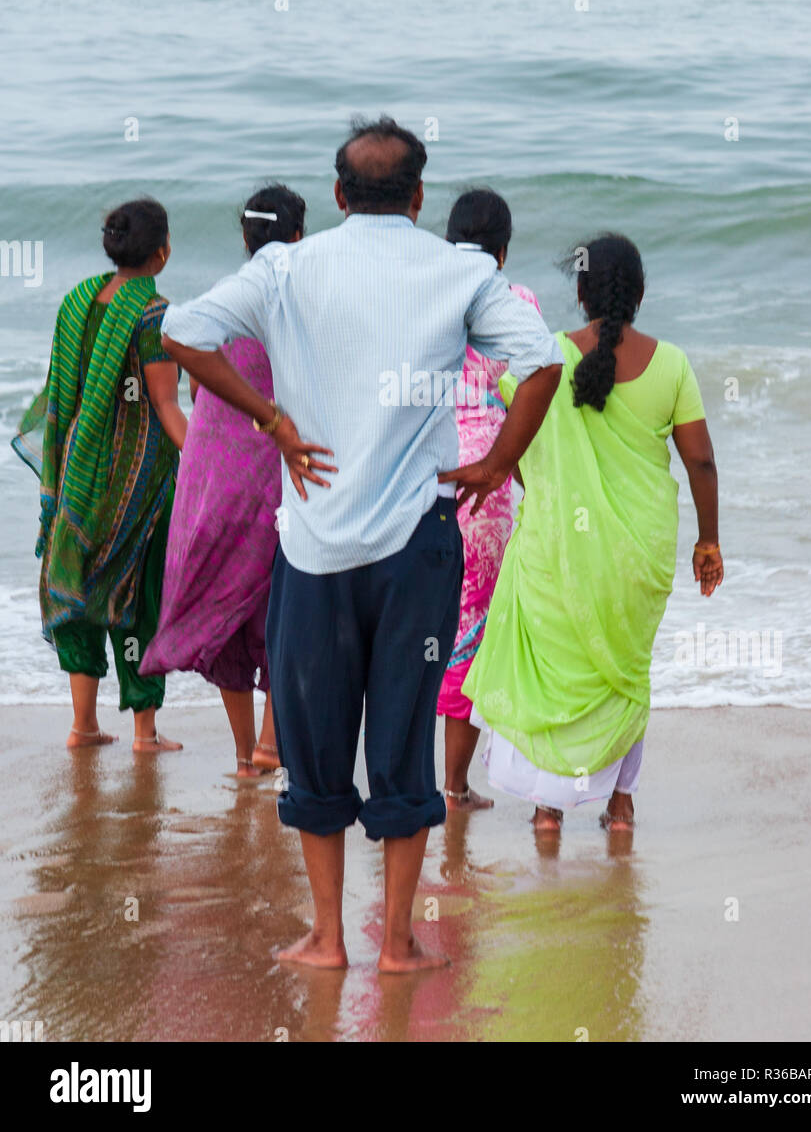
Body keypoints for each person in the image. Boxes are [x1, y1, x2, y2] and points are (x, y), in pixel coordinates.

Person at [159, 117, 563, 972]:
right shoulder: (460, 271)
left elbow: (180, 333)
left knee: (313, 743)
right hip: (417, 548)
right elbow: (543, 362)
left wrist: (271, 420)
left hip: (313, 552)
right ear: (418, 197)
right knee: (405, 738)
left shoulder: (288, 266)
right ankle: (401, 943)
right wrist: (498, 461)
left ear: (340, 197)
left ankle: (329, 938)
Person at [463, 233, 723, 833]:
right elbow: (701, 462)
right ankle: (621, 804)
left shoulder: (545, 355)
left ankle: (548, 808)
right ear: (640, 293)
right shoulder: (673, 364)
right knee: (625, 670)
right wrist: (708, 541)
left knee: (556, 668)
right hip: (638, 551)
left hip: (558, 546)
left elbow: (518, 451)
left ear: (579, 293)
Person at [140, 187, 306, 776]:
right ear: (299, 237)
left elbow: (193, 387)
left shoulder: (219, 300)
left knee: (226, 614)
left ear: (244, 239)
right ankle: (270, 742)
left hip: (210, 473)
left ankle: (244, 755)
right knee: (280, 609)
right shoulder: (300, 302)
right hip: (271, 473)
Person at [13, 198, 187, 752]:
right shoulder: (154, 314)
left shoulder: (77, 301)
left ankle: (83, 726)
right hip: (139, 485)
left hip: (77, 477)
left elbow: (62, 391)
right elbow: (165, 405)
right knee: (137, 598)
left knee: (83, 592)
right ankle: (144, 732)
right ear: (161, 252)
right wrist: (206, 461)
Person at [438, 189, 542, 812]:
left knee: (412, 628)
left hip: (418, 475)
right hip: (487, 485)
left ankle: (391, 777)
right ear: (503, 250)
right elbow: (531, 393)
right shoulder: (516, 301)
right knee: (470, 633)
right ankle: (453, 785)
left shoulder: (419, 292)